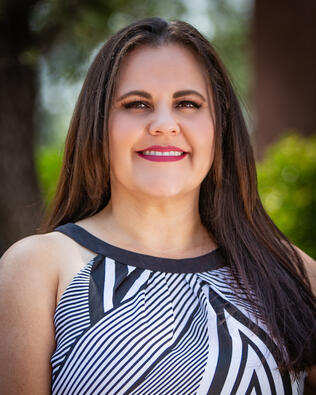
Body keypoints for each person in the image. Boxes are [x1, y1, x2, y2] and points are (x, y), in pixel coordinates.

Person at [0, 17, 315, 394]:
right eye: (136, 104)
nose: (164, 124)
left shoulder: (288, 272)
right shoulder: (38, 267)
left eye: (187, 103)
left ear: (221, 127)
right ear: (99, 124)